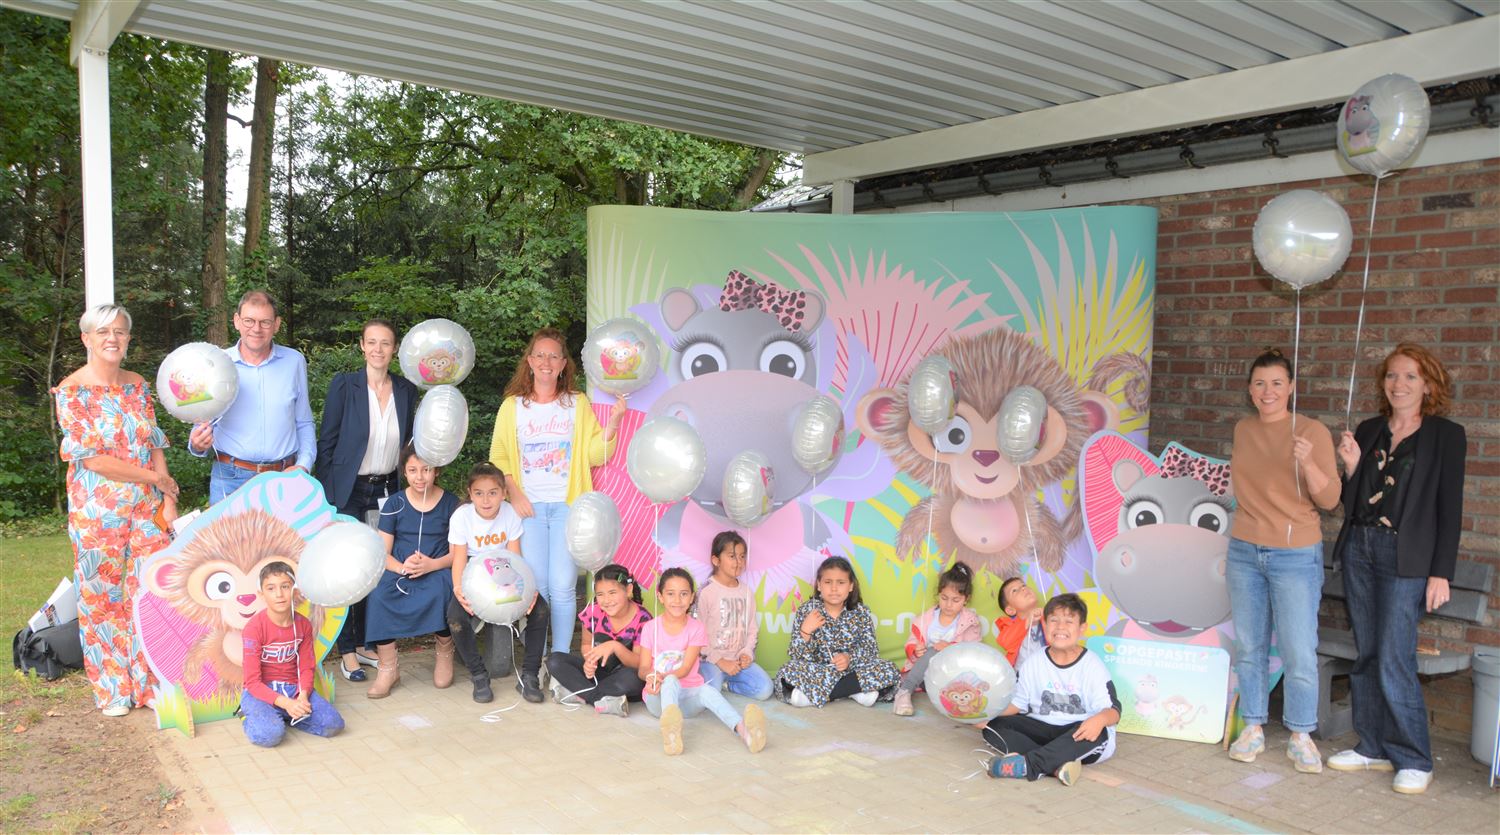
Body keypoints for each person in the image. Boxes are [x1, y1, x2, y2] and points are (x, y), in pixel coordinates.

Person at [1326, 344, 1466, 795]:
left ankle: (1414, 758)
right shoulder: (1369, 430)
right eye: (1391, 375)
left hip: (1407, 558)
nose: (1398, 384)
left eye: (1409, 376)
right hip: (1360, 550)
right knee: (1367, 652)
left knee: (1394, 656)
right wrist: (1352, 468)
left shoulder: (1446, 436)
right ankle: (1372, 747)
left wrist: (1441, 572)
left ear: (1428, 385)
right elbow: (1351, 504)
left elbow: (1450, 509)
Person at [53, 304, 179, 717]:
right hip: (97, 512)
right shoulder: (72, 391)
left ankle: (148, 682)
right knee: (101, 596)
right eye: (103, 331)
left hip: (146, 508)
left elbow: (154, 441)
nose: (112, 338)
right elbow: (94, 460)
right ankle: (113, 689)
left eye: (120, 331)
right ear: (86, 339)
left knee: (149, 591)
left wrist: (168, 496)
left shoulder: (137, 384)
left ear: (128, 339)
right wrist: (153, 479)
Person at [1224, 348, 1340, 773]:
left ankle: (1301, 735)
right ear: (1249, 390)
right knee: (1249, 646)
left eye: (1276, 383)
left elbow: (1330, 499)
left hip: (1295, 554)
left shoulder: (1311, 431)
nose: (1267, 391)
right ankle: (1253, 727)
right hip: (1244, 549)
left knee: (1298, 648)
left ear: (1291, 387)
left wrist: (1307, 462)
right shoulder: (1243, 429)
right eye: (1259, 383)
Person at [488, 328, 625, 655]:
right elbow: (499, 456)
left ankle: (560, 660)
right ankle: (538, 657)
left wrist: (613, 425)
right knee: (539, 586)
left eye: (553, 356)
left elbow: (594, 455)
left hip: (568, 507)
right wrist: (514, 494)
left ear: (564, 363)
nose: (546, 362)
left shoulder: (577, 403)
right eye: (540, 355)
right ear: (530, 361)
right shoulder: (512, 406)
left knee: (563, 587)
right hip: (529, 508)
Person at [315, 318, 418, 683]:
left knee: (375, 568)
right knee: (347, 569)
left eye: (385, 343)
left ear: (395, 349)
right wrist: (327, 497)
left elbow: (409, 444)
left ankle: (364, 643)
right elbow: (326, 443)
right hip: (347, 492)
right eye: (371, 342)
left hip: (386, 491)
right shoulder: (345, 386)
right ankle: (347, 651)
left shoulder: (406, 390)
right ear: (361, 345)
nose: (378, 349)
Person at [188, 290, 315, 504]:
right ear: (237, 321)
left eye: (265, 322)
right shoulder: (215, 364)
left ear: (276, 324)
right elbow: (200, 423)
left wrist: (303, 465)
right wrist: (198, 443)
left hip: (284, 478)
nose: (256, 329)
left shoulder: (295, 362)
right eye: (249, 321)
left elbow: (304, 422)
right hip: (230, 479)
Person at [984, 593, 1119, 786]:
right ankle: (1056, 765)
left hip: (1077, 731)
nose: (1060, 627)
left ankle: (1029, 766)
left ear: (1082, 628)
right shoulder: (1033, 662)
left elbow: (1113, 712)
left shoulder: (1092, 665)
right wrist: (983, 714)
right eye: (1054, 620)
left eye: (1069, 621)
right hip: (1043, 728)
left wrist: (1100, 720)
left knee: (1101, 731)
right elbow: (1017, 704)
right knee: (993, 726)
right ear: (1045, 625)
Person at [448, 463, 550, 704]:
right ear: (470, 493)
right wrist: (458, 589)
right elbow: (459, 558)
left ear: (504, 493)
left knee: (540, 609)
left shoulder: (509, 513)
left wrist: (528, 591)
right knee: (455, 617)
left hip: (505, 572)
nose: (486, 500)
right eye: (479, 493)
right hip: (474, 575)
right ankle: (478, 675)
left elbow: (515, 558)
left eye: (493, 493)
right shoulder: (462, 516)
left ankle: (530, 675)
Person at [364, 444, 460, 698]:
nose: (420, 477)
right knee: (379, 593)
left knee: (442, 589)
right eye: (413, 470)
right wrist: (402, 568)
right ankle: (388, 667)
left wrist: (432, 565)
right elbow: (382, 553)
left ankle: (444, 651)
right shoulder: (394, 503)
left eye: (426, 470)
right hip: (400, 569)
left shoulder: (451, 504)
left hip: (437, 567)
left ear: (436, 471)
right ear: (404, 472)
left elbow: (457, 554)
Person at [639, 569, 768, 755]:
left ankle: (745, 733)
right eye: (671, 594)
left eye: (684, 594)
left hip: (687, 699)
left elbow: (685, 669)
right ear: (660, 596)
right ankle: (671, 733)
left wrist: (664, 676)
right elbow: (643, 668)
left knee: (708, 691)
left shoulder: (696, 627)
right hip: (657, 699)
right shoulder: (650, 628)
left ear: (692, 597)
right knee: (670, 681)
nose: (677, 600)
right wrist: (652, 677)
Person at [240, 561, 345, 747]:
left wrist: (302, 696)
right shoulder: (254, 628)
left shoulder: (303, 625)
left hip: (292, 688)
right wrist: (286, 703)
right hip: (261, 692)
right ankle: (250, 716)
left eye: (285, 586)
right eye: (271, 588)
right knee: (270, 736)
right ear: (262, 595)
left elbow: (306, 667)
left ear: (294, 592)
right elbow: (253, 682)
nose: (279, 594)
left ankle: (288, 715)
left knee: (333, 725)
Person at [775, 556, 899, 708]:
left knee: (889, 669)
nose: (834, 588)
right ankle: (855, 691)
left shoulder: (861, 612)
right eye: (828, 582)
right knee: (787, 671)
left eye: (841, 583)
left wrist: (849, 658)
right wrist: (805, 631)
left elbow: (871, 649)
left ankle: (814, 696)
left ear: (851, 586)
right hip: (817, 671)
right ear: (819, 585)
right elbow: (797, 656)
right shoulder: (807, 611)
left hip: (852, 671)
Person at [545, 564, 651, 716]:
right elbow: (586, 644)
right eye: (600, 594)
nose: (607, 600)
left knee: (635, 678)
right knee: (555, 660)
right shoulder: (592, 612)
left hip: (624, 677)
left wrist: (615, 647)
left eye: (612, 592)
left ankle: (580, 693)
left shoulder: (644, 619)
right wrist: (590, 661)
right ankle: (599, 699)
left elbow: (639, 663)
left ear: (628, 590)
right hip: (599, 674)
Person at [893, 561, 981, 716]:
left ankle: (952, 699)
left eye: (955, 600)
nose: (948, 605)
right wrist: (915, 650)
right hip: (923, 678)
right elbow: (912, 642)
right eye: (944, 598)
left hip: (953, 677)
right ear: (938, 594)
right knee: (932, 651)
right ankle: (904, 692)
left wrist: (949, 647)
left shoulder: (970, 622)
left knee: (936, 651)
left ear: (966, 599)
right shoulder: (926, 619)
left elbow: (973, 652)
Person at [695, 531, 773, 701]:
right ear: (716, 560)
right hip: (711, 661)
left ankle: (728, 685)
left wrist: (746, 653)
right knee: (709, 693)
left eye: (742, 556)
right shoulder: (706, 592)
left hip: (738, 663)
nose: (738, 562)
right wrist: (720, 661)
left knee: (765, 689)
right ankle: (717, 683)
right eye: (732, 556)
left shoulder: (747, 592)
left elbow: (752, 629)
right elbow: (696, 634)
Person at [995, 576, 1046, 669]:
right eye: (1014, 590)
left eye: (1023, 585)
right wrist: (1028, 621)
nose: (1023, 589)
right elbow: (1006, 642)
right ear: (1010, 610)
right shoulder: (1011, 627)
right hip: (1024, 672)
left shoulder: (1048, 616)